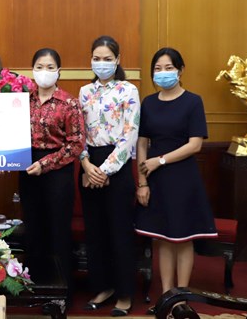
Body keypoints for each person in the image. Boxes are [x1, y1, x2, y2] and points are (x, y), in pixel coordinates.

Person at [135, 47, 217, 310]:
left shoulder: (193, 101)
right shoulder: (148, 103)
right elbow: (142, 142)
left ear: (180, 71)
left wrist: (160, 161)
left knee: (182, 239)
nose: (163, 73)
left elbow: (195, 145)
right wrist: (142, 182)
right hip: (154, 178)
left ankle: (182, 300)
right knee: (162, 239)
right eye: (158, 69)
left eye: (168, 68)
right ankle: (166, 297)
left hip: (182, 178)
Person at [78, 36, 140, 316]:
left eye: (107, 59)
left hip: (118, 165)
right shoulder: (84, 91)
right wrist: (86, 165)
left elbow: (130, 135)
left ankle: (125, 293)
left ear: (117, 60)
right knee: (95, 232)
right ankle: (103, 287)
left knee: (119, 231)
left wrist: (104, 171)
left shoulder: (128, 90)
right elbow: (79, 133)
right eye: (96, 59)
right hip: (89, 165)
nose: (101, 63)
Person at [21, 48, 84, 303]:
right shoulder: (23, 100)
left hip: (58, 171)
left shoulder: (69, 103)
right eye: (39, 67)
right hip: (27, 168)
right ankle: (36, 289)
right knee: (33, 229)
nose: (44, 72)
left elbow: (76, 144)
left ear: (59, 71)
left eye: (49, 67)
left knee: (58, 230)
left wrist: (45, 164)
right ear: (32, 70)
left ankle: (61, 293)